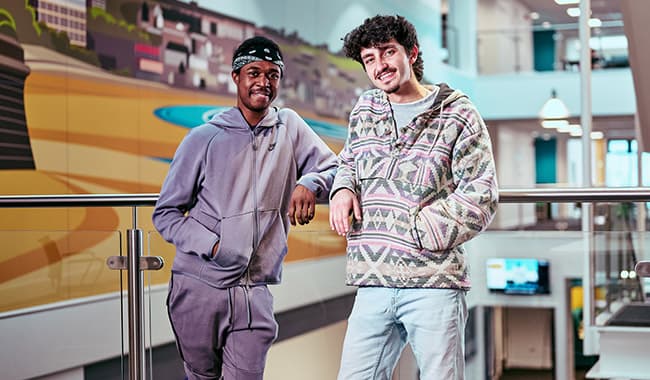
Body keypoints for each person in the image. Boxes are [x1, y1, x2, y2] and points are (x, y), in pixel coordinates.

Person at [152, 36, 337, 380]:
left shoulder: (291, 127)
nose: (263, 82)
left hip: (254, 293)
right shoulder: (202, 138)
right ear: (236, 77)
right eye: (254, 72)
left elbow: (333, 168)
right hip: (197, 288)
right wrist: (215, 246)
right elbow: (166, 214)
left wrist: (308, 184)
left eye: (272, 74)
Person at [329, 15, 499, 380]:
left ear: (412, 53)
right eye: (370, 59)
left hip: (434, 283)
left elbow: (481, 194)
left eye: (388, 52)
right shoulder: (365, 109)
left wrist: (421, 231)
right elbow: (349, 160)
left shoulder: (458, 113)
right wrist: (343, 187)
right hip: (372, 281)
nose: (380, 66)